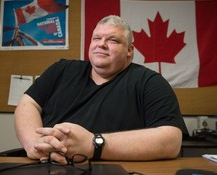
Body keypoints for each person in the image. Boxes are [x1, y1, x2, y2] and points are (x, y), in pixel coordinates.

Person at [14, 15, 188, 163]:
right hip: (46, 164)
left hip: (114, 173)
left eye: (112, 40)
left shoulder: (150, 82)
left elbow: (171, 141)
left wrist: (93, 144)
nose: (101, 44)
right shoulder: (61, 69)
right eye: (97, 38)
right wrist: (33, 143)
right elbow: (27, 104)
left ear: (129, 50)